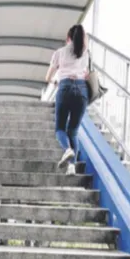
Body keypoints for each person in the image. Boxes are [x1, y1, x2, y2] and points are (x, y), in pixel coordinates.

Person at [45, 24, 89, 175]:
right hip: (82, 90)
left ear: (68, 38)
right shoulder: (86, 53)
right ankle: (71, 166)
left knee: (60, 129)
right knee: (74, 131)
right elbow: (87, 74)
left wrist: (55, 81)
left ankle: (68, 149)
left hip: (64, 88)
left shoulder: (60, 52)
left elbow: (48, 77)